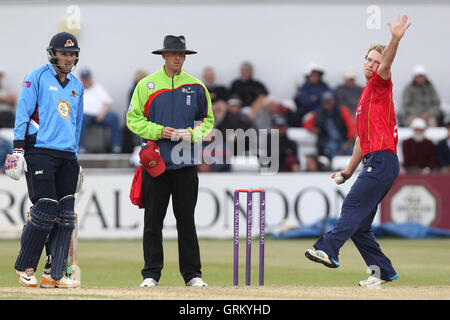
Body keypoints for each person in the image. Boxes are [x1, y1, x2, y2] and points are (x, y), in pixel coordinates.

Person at [305, 15, 411, 288]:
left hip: (383, 159)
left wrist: (395, 40)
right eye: (370, 59)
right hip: (375, 161)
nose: (373, 64)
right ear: (363, 61)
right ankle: (382, 271)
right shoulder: (365, 95)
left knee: (352, 205)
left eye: (377, 61)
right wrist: (350, 170)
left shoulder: (380, 83)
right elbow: (360, 140)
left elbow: (387, 64)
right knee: (361, 225)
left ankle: (329, 249)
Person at [126, 35, 214, 287]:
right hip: (155, 164)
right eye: (174, 54)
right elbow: (133, 120)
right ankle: (151, 274)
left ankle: (193, 275)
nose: (178, 58)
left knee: (186, 221)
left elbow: (207, 121)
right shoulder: (147, 85)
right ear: (163, 56)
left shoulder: (197, 86)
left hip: (186, 163)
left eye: (182, 54)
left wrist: (193, 133)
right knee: (153, 221)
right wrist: (159, 131)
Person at [4, 32, 83, 288]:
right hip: (40, 151)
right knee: (46, 208)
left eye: (71, 54)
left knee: (66, 215)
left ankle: (55, 273)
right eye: (63, 53)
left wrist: (77, 159)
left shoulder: (77, 86)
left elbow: (76, 124)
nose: (68, 58)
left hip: (67, 155)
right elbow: (23, 114)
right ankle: (25, 267)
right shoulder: (35, 77)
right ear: (53, 54)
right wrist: (18, 150)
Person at [78, 68, 122, 153]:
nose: (86, 80)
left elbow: (107, 103)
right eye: (84, 78)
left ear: (90, 78)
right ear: (81, 79)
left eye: (87, 78)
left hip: (100, 115)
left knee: (114, 117)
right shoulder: (77, 89)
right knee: (80, 120)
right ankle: (81, 147)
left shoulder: (98, 87)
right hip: (85, 116)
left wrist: (102, 113)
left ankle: (116, 146)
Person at [310, 90, 356, 160]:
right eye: (325, 102)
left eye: (329, 101)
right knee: (332, 148)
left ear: (334, 101)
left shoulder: (342, 110)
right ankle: (335, 168)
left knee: (350, 150)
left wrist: (349, 140)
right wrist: (312, 128)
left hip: (343, 139)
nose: (327, 103)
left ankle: (350, 169)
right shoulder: (318, 113)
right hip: (327, 140)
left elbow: (351, 126)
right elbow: (306, 122)